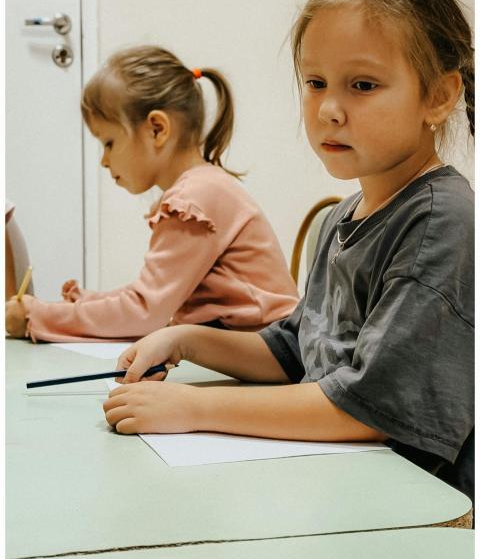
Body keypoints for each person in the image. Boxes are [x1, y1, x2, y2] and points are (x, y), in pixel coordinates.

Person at [102, 0, 474, 501]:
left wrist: (196, 407)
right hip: (335, 483)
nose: (328, 109)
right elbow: (294, 349)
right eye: (315, 82)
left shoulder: (440, 221)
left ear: (438, 97)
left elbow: (371, 405)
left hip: (408, 506)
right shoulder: (345, 216)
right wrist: (185, 340)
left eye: (362, 86)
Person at [5, 46, 298, 341]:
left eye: (108, 143)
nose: (104, 161)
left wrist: (38, 315)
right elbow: (148, 299)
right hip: (252, 344)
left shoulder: (194, 199)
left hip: (268, 349)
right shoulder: (201, 187)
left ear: (157, 129)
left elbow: (144, 312)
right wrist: (88, 303)